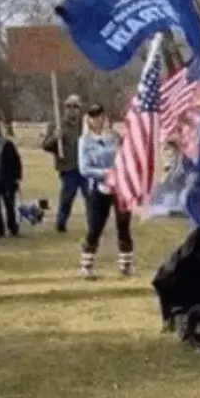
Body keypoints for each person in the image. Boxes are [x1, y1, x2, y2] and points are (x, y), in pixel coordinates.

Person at [78, 104, 134, 278]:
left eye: (100, 116)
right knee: (95, 227)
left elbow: (126, 154)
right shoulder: (85, 141)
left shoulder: (114, 137)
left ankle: (126, 264)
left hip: (120, 187)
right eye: (94, 117)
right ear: (89, 119)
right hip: (99, 187)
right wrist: (105, 174)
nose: (97, 120)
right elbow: (84, 168)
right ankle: (87, 265)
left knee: (123, 225)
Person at [42, 94, 88, 233]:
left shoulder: (86, 125)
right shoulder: (57, 125)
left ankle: (94, 223)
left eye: (75, 107)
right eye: (69, 106)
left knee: (91, 197)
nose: (72, 110)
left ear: (80, 109)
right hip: (68, 168)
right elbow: (46, 146)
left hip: (85, 167)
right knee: (67, 197)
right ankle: (61, 223)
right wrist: (55, 138)